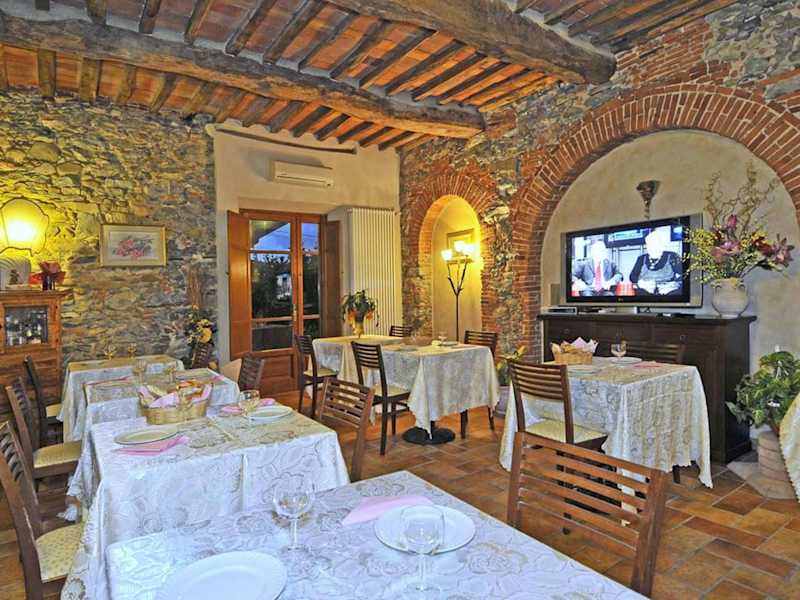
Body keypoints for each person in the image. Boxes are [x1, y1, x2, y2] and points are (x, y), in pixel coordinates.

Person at [629, 227, 683, 295]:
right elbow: (632, 276)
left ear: (661, 245)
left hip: (667, 292)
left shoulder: (672, 256)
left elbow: (685, 273)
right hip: (645, 290)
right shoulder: (641, 258)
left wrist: (673, 284)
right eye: (648, 244)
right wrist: (641, 283)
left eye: (654, 244)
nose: (650, 247)